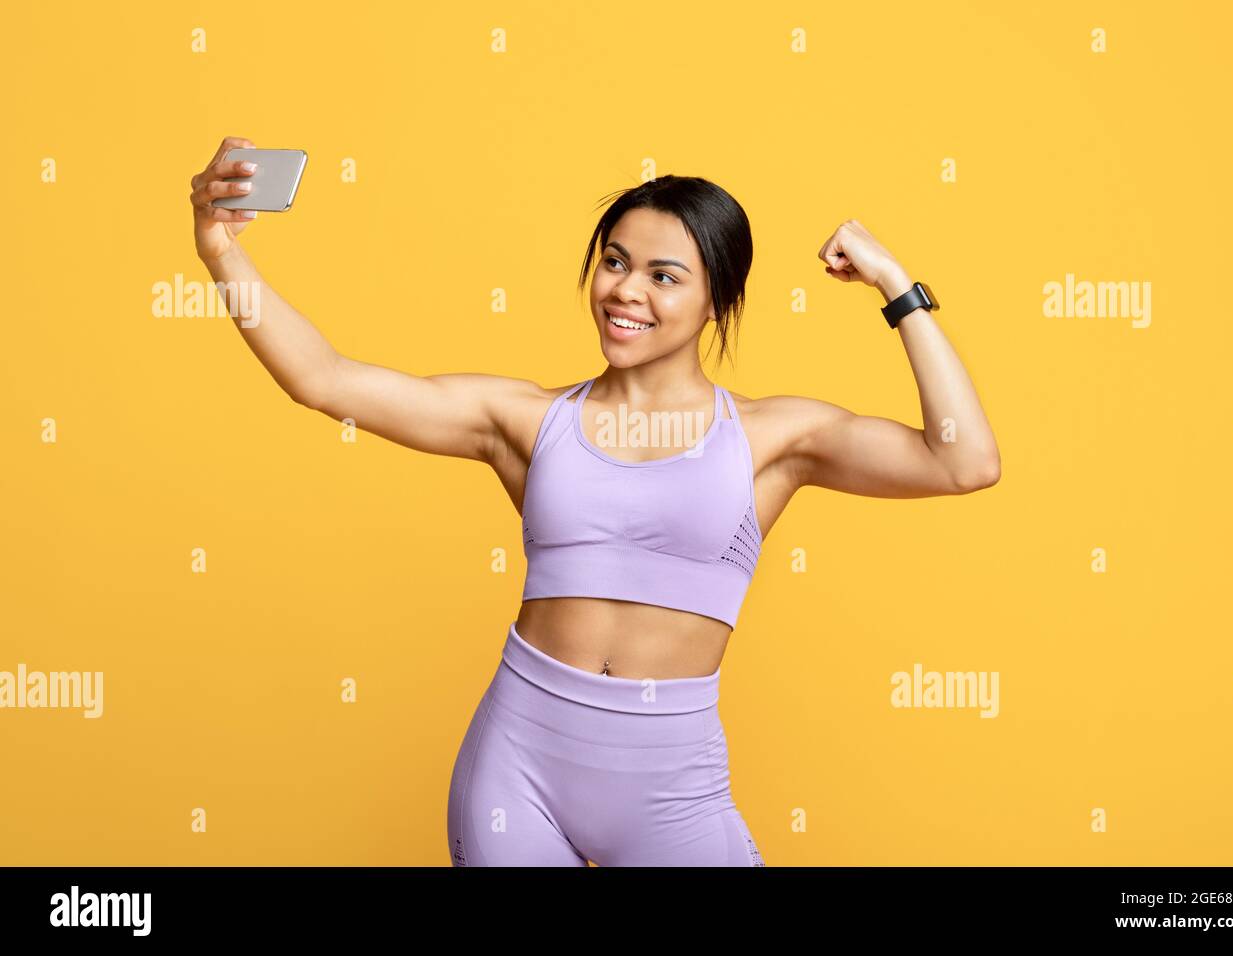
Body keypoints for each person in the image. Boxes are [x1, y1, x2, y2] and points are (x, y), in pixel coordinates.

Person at [190, 136, 1001, 867]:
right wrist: (222, 251)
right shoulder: (526, 422)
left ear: (718, 298)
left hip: (672, 791)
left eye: (664, 275)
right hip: (517, 771)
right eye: (615, 262)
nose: (627, 292)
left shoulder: (772, 438)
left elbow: (963, 459)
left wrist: (896, 287)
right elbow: (324, 379)